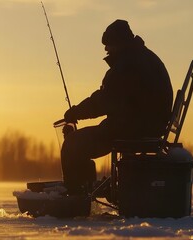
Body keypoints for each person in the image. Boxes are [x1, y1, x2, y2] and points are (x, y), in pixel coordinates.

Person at [61, 19, 173, 195]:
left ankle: (76, 198)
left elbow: (104, 100)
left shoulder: (128, 65)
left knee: (72, 144)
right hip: (146, 124)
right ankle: (85, 190)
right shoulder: (142, 57)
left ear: (119, 43)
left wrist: (75, 112)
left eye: (108, 45)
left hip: (134, 128)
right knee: (80, 141)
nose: (106, 50)